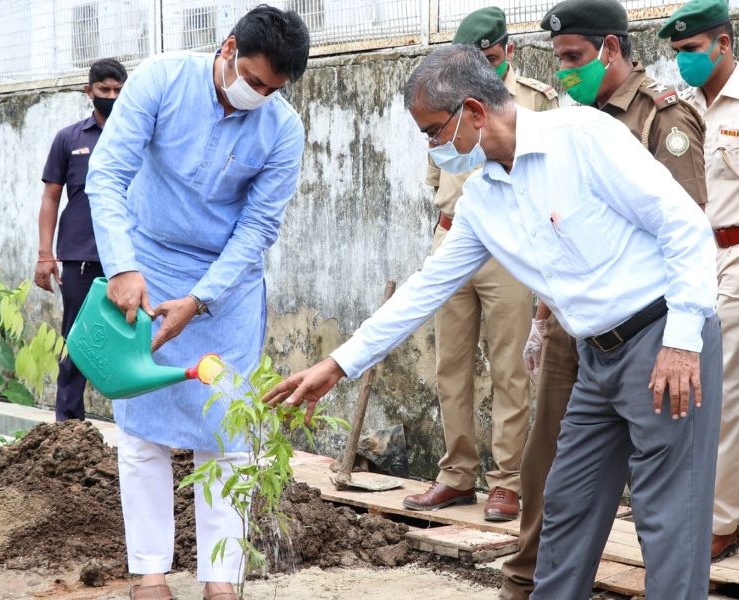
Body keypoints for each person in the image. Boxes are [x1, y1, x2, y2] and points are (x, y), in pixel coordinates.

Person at [263, 44, 721, 600]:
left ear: (475, 112)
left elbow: (684, 228)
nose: (433, 147)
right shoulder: (482, 197)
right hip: (595, 357)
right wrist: (338, 364)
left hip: (663, 338)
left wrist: (681, 339)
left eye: (434, 131)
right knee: (566, 506)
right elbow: (424, 289)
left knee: (668, 520)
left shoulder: (582, 137)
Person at [84, 6, 310, 600]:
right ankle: (151, 575)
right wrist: (123, 267)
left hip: (224, 289)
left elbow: (258, 227)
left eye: (272, 90)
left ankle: (220, 580)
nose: (257, 96)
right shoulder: (161, 79)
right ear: (229, 48)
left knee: (228, 431)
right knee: (140, 427)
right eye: (253, 80)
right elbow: (107, 173)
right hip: (147, 266)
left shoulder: (283, 130)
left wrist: (201, 299)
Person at [498, 1, 709, 597]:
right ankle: (529, 582)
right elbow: (557, 231)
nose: (564, 73)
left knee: (660, 502)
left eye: (573, 59)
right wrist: (543, 318)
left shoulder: (659, 117)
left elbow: (685, 225)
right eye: (558, 61)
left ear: (611, 50)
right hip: (580, 327)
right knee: (557, 480)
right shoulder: (570, 118)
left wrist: (680, 339)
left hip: (650, 328)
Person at [403, 6, 558, 522]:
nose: (486, 72)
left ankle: (508, 481)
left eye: (492, 60)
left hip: (509, 249)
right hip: (452, 239)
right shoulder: (444, 103)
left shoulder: (535, 100)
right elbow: (437, 176)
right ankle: (456, 474)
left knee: (510, 366)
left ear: (508, 52)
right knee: (451, 365)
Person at [659, 0, 739, 563]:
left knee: (726, 395)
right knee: (702, 392)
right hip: (692, 265)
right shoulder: (682, 109)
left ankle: (722, 519)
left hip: (735, 259)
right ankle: (707, 508)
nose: (684, 61)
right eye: (677, 53)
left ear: (724, 44)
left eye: (692, 50)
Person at [33, 58, 128, 422]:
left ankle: (135, 430)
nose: (112, 96)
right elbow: (51, 197)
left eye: (119, 90)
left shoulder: (138, 136)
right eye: (104, 90)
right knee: (77, 341)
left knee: (130, 344)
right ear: (88, 91)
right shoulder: (69, 138)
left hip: (130, 259)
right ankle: (68, 429)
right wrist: (46, 255)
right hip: (81, 257)